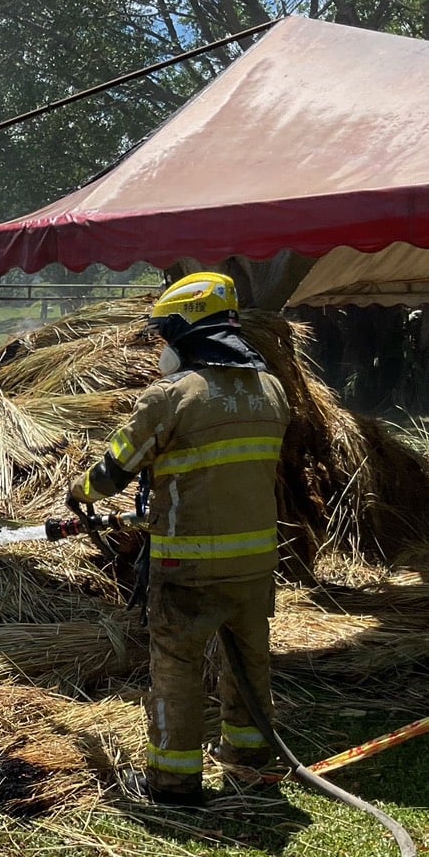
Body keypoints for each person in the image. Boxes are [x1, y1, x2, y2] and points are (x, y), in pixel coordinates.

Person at [68, 273, 290, 807]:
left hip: (187, 567)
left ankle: (173, 781)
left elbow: (116, 466)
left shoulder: (173, 396)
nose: (163, 347)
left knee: (178, 670)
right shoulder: (272, 390)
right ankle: (250, 763)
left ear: (189, 333)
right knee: (249, 665)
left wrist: (80, 492)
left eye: (167, 334)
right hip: (256, 565)